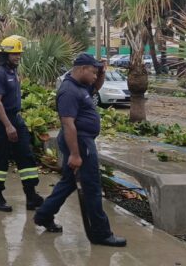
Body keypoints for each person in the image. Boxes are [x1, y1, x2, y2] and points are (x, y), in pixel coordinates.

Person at [33, 53, 126, 247]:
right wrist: (75, 155)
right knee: (92, 186)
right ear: (82, 69)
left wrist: (101, 72)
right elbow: (68, 125)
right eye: (92, 72)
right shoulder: (68, 91)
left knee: (68, 182)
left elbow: (96, 87)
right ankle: (101, 233)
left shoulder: (81, 85)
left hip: (82, 141)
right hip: (80, 143)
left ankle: (43, 215)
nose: (94, 76)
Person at [0, 35, 44, 212]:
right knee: (0, 160)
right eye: (15, 54)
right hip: (1, 122)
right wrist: (7, 125)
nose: (18, 56)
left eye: (19, 53)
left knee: (26, 156)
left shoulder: (13, 72)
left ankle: (31, 195)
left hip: (16, 119)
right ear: (5, 55)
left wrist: (15, 122)